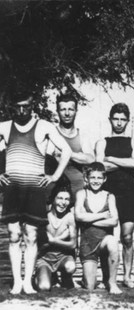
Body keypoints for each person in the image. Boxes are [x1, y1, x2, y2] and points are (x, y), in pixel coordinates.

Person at [0, 90, 72, 294]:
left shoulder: (44, 127)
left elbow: (66, 151)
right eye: (18, 106)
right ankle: (16, 282)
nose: (22, 111)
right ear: (11, 107)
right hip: (12, 189)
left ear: (33, 106)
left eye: (27, 106)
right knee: (14, 235)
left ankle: (28, 283)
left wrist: (55, 176)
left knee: (31, 236)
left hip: (34, 189)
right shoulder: (5, 127)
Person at [95, 103, 134, 288]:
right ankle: (108, 277)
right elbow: (99, 167)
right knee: (107, 238)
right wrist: (125, 163)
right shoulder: (102, 143)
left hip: (128, 193)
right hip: (108, 193)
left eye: (123, 119)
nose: (119, 123)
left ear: (127, 121)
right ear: (110, 119)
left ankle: (127, 276)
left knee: (128, 237)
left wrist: (111, 159)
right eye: (116, 118)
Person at [74, 162, 121, 294]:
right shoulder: (82, 194)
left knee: (112, 241)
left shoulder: (109, 196)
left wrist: (89, 219)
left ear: (104, 179)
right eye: (93, 177)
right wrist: (102, 215)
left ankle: (112, 283)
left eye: (99, 178)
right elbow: (78, 216)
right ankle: (86, 279)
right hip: (88, 244)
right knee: (90, 286)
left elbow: (114, 221)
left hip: (104, 242)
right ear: (86, 178)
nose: (96, 181)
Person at [47, 93, 95, 194]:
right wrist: (79, 156)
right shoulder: (51, 134)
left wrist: (66, 153)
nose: (67, 113)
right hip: (57, 194)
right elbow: (46, 159)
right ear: (57, 112)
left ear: (76, 111)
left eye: (71, 109)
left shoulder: (82, 135)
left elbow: (91, 159)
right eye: (63, 109)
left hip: (79, 192)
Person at [35, 185, 77, 291]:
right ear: (53, 199)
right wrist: (61, 237)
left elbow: (73, 245)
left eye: (66, 199)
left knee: (70, 266)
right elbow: (41, 247)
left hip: (63, 257)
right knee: (44, 287)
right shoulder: (44, 217)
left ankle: (65, 276)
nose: (63, 203)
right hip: (45, 259)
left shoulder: (70, 217)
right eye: (59, 198)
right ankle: (42, 275)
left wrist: (53, 240)